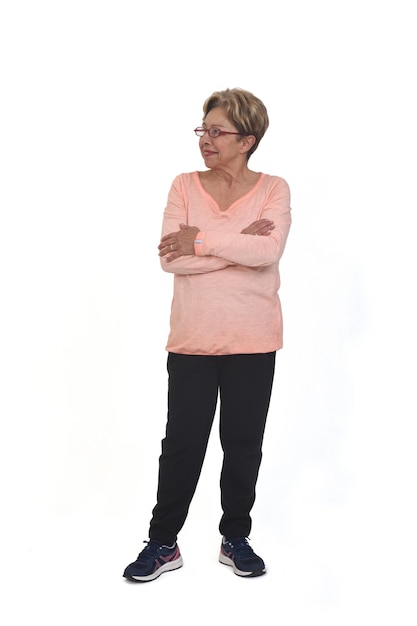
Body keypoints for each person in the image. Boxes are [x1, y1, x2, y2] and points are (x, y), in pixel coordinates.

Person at [123, 88, 291, 582]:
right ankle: (163, 542)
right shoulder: (183, 185)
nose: (206, 139)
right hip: (193, 338)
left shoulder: (273, 188)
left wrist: (198, 238)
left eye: (217, 131)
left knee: (243, 443)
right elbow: (168, 258)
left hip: (254, 339)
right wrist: (240, 245)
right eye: (203, 130)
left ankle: (235, 536)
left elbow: (269, 253)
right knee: (182, 443)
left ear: (248, 140)